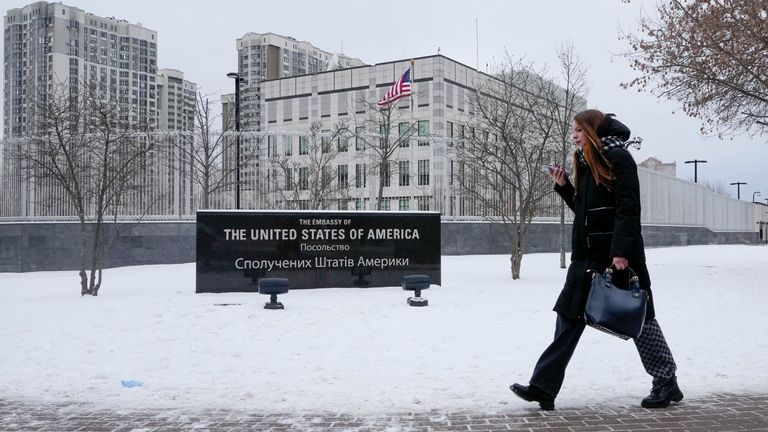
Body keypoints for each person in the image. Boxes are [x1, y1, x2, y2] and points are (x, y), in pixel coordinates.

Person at [510, 109, 683, 411]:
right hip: (585, 259)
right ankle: (543, 387)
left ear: (592, 130)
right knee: (567, 318)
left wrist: (621, 252)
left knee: (639, 319)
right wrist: (564, 186)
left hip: (616, 256)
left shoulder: (619, 158)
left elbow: (628, 209)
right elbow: (587, 211)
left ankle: (666, 380)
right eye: (573, 130)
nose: (574, 135)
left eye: (578, 129)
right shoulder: (586, 161)